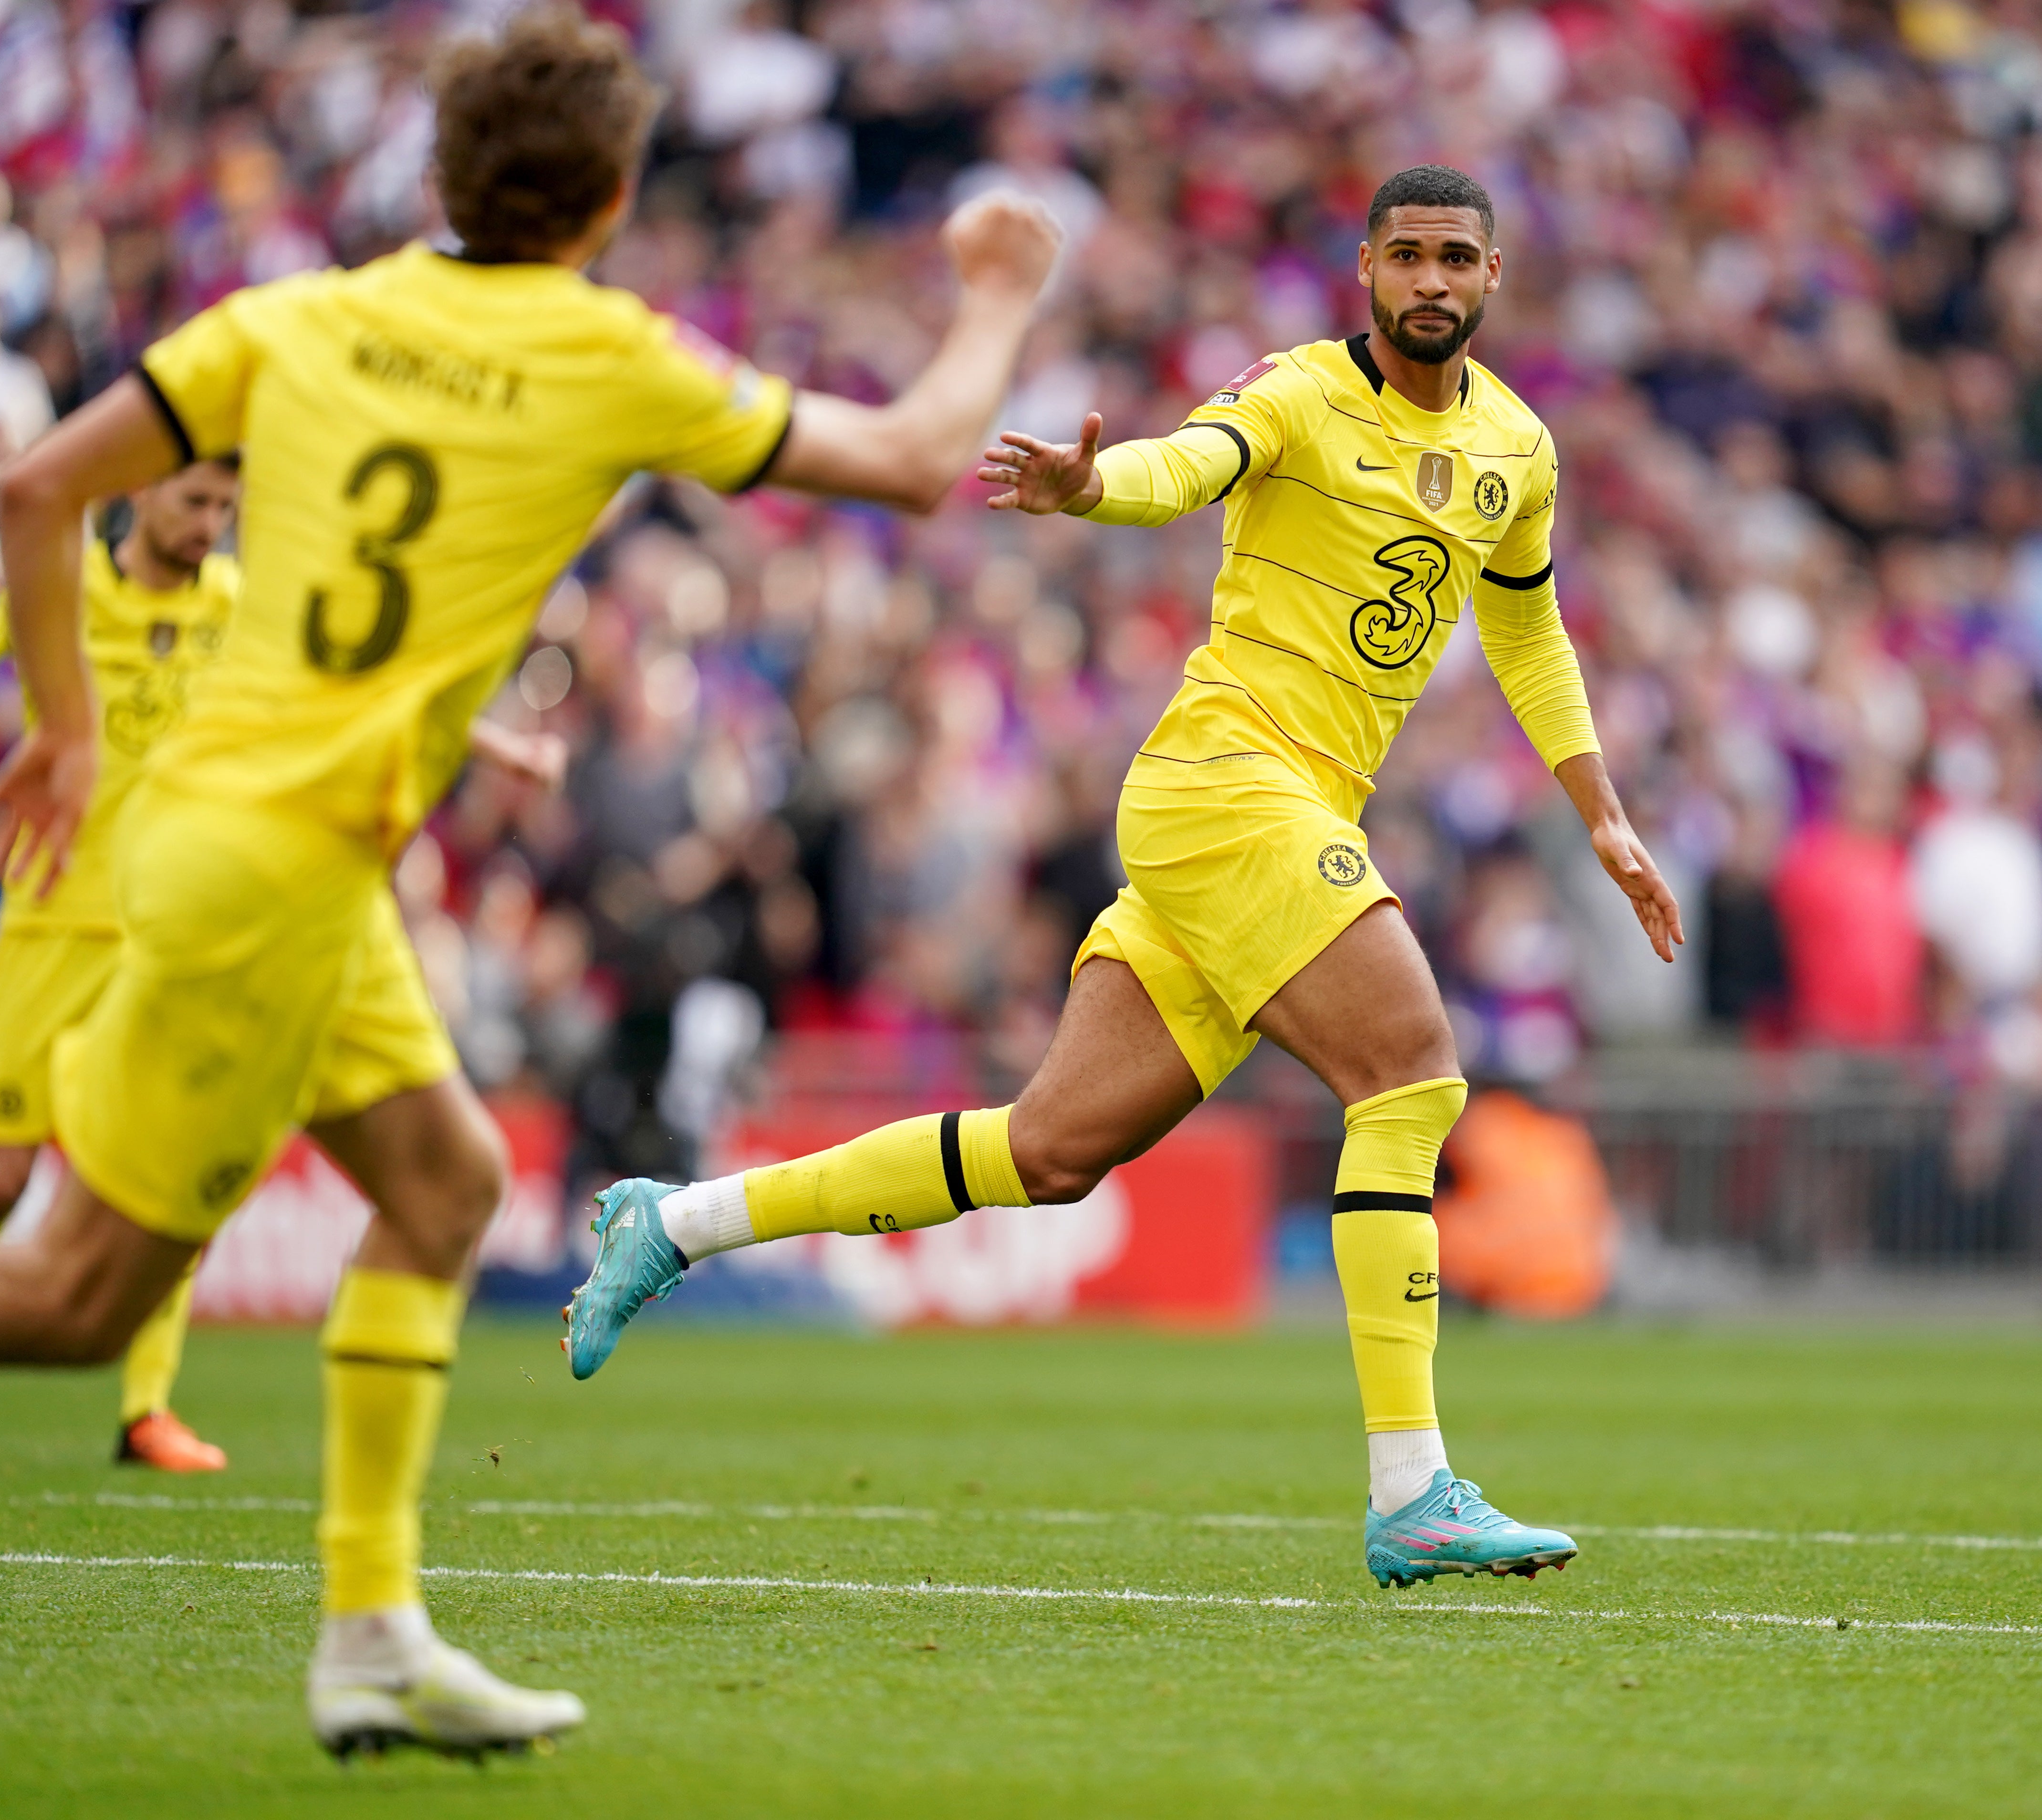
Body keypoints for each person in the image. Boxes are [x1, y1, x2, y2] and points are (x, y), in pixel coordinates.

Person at [0, 8, 1060, 1761]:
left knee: (442, 1181)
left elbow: (41, 488)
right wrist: (997, 296)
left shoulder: (301, 318)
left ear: (438, 177)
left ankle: (371, 1633)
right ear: (609, 200)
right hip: (271, 866)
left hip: (277, 844)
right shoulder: (610, 351)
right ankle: (358, 1624)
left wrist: (58, 725)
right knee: (71, 1296)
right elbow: (905, 460)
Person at [565, 165, 1684, 1590]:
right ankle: (1413, 1488)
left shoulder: (1519, 451)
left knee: (1046, 1152)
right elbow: (1183, 463)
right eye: (1405, 255)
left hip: (1267, 823)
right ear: (1365, 269)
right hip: (1230, 784)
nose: (1431, 281)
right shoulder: (1295, 394)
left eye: (1456, 257)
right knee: (1411, 1076)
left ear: (1494, 275)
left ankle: (674, 1221)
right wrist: (1096, 488)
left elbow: (1527, 631)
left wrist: (1602, 814)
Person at [0, 459, 567, 1476]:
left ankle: (146, 1412)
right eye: (195, 502)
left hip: (172, 937)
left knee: (180, 1170)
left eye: (227, 509)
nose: (210, 525)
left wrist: (498, 749)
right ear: (137, 494)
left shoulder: (240, 604)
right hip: (55, 923)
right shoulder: (67, 587)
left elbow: (363, 687)